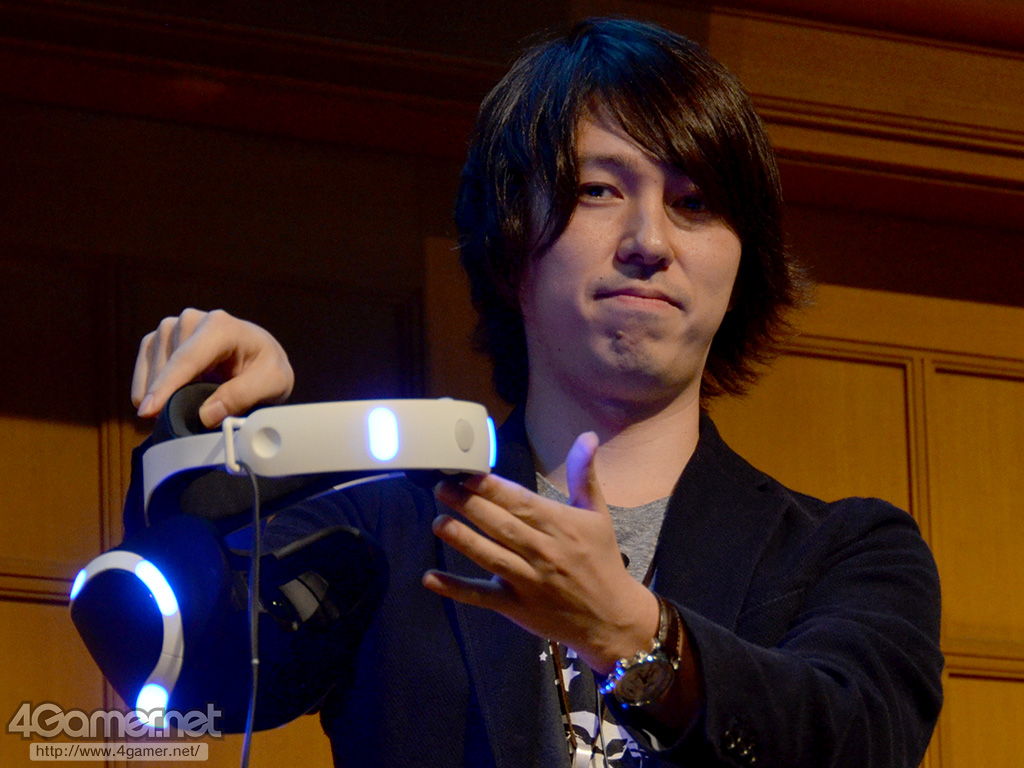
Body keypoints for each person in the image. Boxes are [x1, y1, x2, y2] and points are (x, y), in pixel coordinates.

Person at [127, 17, 943, 767]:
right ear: (511, 245)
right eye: (599, 190)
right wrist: (200, 440)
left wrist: (631, 633)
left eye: (693, 203)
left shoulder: (844, 552)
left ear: (740, 267)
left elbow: (859, 743)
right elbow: (193, 672)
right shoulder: (391, 523)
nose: (649, 241)